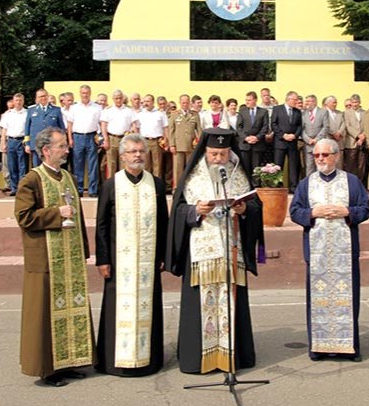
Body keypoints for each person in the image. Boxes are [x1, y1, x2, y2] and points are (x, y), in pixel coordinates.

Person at [166, 129, 263, 374]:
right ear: (205, 152)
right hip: (201, 254)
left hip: (232, 250)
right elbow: (178, 212)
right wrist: (195, 211)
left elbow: (255, 207)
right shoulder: (193, 177)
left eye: (222, 153)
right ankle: (197, 358)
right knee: (200, 306)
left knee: (232, 301)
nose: (218, 158)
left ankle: (233, 356)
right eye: (213, 154)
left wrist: (244, 210)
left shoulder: (238, 172)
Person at [14, 128, 94, 387]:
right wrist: (56, 213)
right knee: (45, 314)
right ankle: (46, 369)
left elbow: (78, 217)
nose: (67, 149)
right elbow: (24, 217)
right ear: (46, 150)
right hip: (46, 260)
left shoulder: (68, 177)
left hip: (69, 259)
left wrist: (83, 250)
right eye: (62, 145)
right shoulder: (31, 179)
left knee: (69, 310)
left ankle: (69, 361)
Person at [288, 139, 369, 362]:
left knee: (348, 298)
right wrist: (313, 212)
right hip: (317, 253)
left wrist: (346, 211)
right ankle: (319, 347)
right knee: (318, 300)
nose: (321, 159)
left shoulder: (352, 181)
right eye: (317, 156)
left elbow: (365, 210)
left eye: (325, 155)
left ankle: (349, 347)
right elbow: (295, 211)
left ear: (336, 156)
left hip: (345, 252)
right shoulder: (306, 183)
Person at [94, 134, 169, 376]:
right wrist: (103, 259)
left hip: (148, 261)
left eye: (141, 151)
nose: (137, 155)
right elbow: (102, 224)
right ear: (123, 156)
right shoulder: (111, 185)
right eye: (132, 151)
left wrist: (164, 255)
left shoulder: (155, 184)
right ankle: (114, 361)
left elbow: (164, 223)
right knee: (117, 307)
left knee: (149, 306)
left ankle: (150, 359)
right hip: (119, 261)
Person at [66, 84, 102, 197]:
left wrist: (100, 138)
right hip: (78, 137)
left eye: (87, 93)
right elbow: (69, 124)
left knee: (93, 165)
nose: (85, 95)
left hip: (92, 137)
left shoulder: (97, 107)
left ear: (90, 93)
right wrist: (70, 139)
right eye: (83, 93)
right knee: (78, 165)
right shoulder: (74, 107)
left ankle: (92, 190)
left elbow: (101, 123)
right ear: (80, 93)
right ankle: (79, 189)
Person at [100, 89, 136, 180]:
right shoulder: (108, 110)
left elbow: (134, 125)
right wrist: (106, 140)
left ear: (123, 98)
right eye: (116, 98)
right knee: (111, 164)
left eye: (120, 98)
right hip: (112, 138)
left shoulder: (129, 110)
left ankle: (124, 184)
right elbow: (103, 126)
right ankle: (111, 186)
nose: (118, 100)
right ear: (113, 99)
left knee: (124, 162)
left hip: (125, 139)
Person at [271, 91, 303, 190]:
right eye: (295, 99)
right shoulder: (277, 109)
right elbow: (273, 124)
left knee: (293, 166)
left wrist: (294, 135)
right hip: (280, 142)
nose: (297, 101)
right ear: (288, 99)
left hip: (292, 142)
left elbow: (299, 126)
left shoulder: (297, 111)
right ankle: (277, 185)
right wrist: (283, 135)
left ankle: (293, 186)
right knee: (278, 165)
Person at [26, 89, 65, 169]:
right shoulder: (31, 110)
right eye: (40, 96)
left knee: (52, 166)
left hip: (52, 143)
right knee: (37, 167)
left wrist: (62, 142)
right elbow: (27, 128)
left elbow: (61, 128)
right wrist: (27, 144)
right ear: (37, 98)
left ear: (47, 96)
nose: (43, 98)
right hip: (36, 144)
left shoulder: (56, 110)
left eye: (44, 96)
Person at [169, 94, 201, 190]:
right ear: (180, 103)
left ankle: (190, 187)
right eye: (183, 102)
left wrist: (199, 143)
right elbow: (171, 130)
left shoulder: (195, 114)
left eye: (187, 102)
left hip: (191, 146)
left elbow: (199, 130)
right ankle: (177, 188)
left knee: (190, 167)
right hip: (178, 146)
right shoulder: (174, 114)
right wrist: (172, 145)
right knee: (178, 169)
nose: (185, 104)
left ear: (190, 103)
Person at [0, 93, 28, 195]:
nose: (18, 102)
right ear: (13, 101)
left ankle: (22, 188)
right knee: (12, 166)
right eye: (16, 100)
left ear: (23, 101)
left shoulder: (27, 113)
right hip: (11, 140)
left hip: (22, 141)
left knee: (22, 166)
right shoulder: (8, 114)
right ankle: (14, 188)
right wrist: (3, 143)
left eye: (20, 100)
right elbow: (4, 130)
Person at [134, 94, 169, 180]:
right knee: (145, 165)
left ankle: (157, 187)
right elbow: (136, 128)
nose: (146, 103)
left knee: (157, 165)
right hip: (144, 141)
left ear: (153, 102)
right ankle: (146, 185)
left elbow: (166, 128)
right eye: (145, 101)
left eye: (148, 101)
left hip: (157, 141)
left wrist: (167, 141)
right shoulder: (140, 114)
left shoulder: (160, 114)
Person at [237, 91, 270, 180]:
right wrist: (246, 138)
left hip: (258, 144)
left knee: (257, 168)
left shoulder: (263, 112)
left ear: (255, 100)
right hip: (245, 145)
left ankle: (256, 187)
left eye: (249, 100)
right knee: (245, 167)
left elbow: (265, 127)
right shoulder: (242, 111)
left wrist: (257, 137)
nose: (247, 102)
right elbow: (239, 127)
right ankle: (246, 186)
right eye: (246, 100)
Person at [300, 94, 329, 177]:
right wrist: (307, 139)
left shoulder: (323, 112)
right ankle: (310, 186)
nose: (306, 103)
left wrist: (316, 139)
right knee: (309, 167)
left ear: (315, 102)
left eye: (309, 101)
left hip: (319, 144)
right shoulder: (303, 113)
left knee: (320, 165)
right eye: (306, 101)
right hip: (308, 144)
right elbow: (301, 129)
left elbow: (325, 127)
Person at [342, 94, 367, 184]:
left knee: (361, 165)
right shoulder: (346, 113)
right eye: (353, 102)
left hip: (363, 142)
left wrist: (363, 136)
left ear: (359, 102)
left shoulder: (365, 112)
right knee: (350, 165)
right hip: (351, 143)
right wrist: (357, 135)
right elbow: (348, 126)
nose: (354, 104)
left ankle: (360, 184)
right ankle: (350, 184)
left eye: (356, 102)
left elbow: (367, 126)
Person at [322, 96, 346, 171]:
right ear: (327, 103)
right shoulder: (323, 113)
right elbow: (324, 125)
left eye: (336, 102)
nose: (335, 104)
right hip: (328, 140)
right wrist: (333, 133)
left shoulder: (339, 113)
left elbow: (343, 124)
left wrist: (339, 132)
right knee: (328, 162)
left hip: (339, 142)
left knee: (339, 164)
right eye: (333, 102)